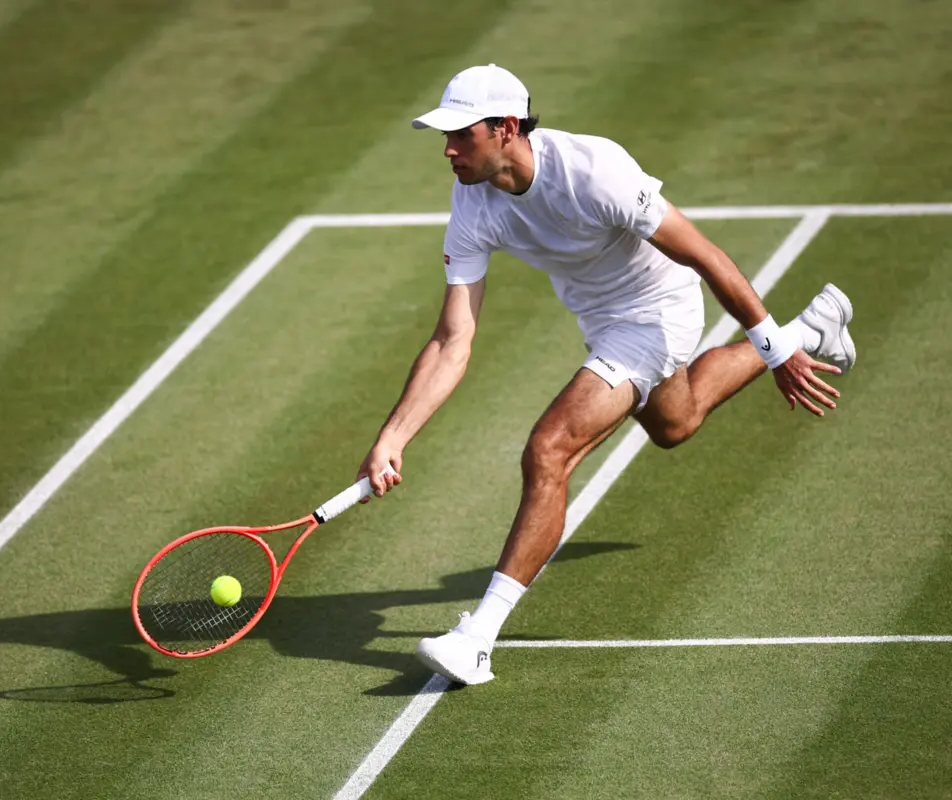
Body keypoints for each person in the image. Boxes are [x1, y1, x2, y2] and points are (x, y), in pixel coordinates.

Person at [356, 64, 855, 686]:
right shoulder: (472, 205)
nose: (449, 149)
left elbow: (703, 255)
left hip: (659, 312)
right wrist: (394, 436)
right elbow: (453, 339)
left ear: (507, 128)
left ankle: (477, 639)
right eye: (445, 136)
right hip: (600, 318)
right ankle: (814, 328)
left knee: (549, 449)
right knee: (676, 422)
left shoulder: (594, 171)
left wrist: (772, 352)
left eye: (463, 134)